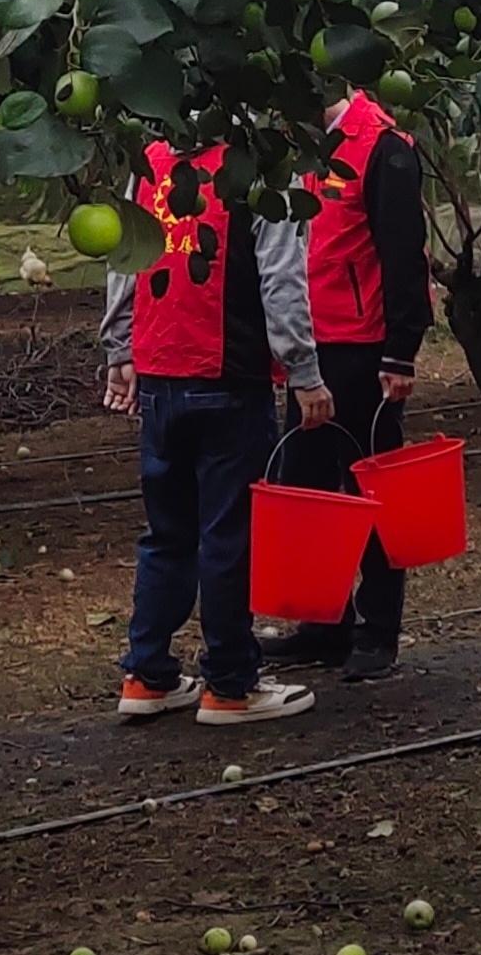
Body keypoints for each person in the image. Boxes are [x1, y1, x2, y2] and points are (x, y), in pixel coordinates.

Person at [102, 140, 334, 724]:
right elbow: (281, 278)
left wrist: (119, 347)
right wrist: (304, 371)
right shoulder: (257, 165)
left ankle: (147, 674)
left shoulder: (150, 160)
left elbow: (122, 257)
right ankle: (230, 684)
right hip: (227, 375)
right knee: (228, 535)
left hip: (159, 372)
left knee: (166, 532)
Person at [260, 85, 432, 683]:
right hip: (308, 345)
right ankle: (322, 623)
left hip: (363, 345)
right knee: (308, 486)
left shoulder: (384, 148)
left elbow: (405, 253)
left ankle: (377, 627)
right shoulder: (298, 147)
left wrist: (401, 352)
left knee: (371, 484)